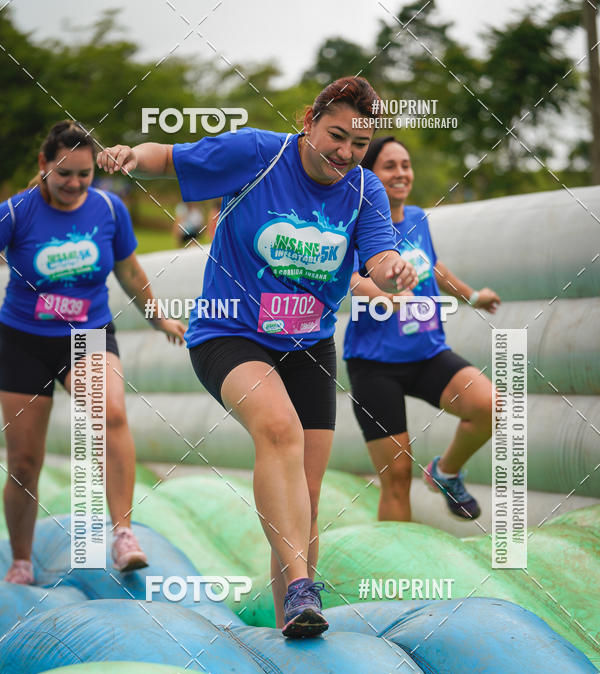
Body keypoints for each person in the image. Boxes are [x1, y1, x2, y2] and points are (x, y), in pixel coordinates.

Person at [97, 77, 418, 638]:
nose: (345, 153)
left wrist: (394, 272)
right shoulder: (257, 154)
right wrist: (130, 156)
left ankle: (292, 619)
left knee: (308, 497)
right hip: (230, 331)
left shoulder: (363, 189)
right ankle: (300, 587)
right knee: (279, 431)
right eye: (335, 135)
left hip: (308, 344)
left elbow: (381, 256)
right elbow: (170, 158)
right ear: (309, 121)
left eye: (359, 144)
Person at [0, 121, 186, 584]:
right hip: (23, 340)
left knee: (111, 415)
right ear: (45, 165)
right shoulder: (16, 213)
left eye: (85, 174)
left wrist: (158, 316)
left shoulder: (108, 207)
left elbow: (128, 270)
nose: (76, 184)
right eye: (66, 173)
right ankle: (21, 561)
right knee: (24, 460)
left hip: (87, 334)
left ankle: (123, 534)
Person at [344, 136, 500, 522]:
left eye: (405, 165)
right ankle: (395, 580)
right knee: (396, 478)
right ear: (370, 176)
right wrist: (382, 294)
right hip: (374, 364)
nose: (401, 173)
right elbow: (344, 276)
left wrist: (472, 295)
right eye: (389, 166)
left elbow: (434, 265)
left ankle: (445, 473)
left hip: (427, 353)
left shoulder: (417, 218)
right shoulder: (356, 224)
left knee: (491, 406)